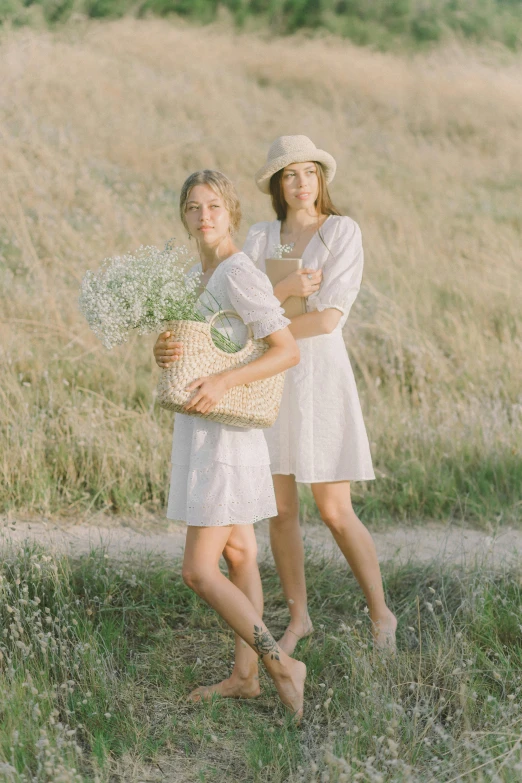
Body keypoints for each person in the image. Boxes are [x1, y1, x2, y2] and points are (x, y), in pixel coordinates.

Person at [159, 168, 305, 716]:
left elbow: (285, 349)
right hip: (203, 425)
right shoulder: (199, 272)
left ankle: (280, 664)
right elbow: (205, 345)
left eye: (214, 207)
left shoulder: (239, 272)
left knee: (199, 570)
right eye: (194, 207)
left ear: (232, 212)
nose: (204, 217)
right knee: (240, 552)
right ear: (184, 215)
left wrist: (222, 381)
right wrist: (165, 353)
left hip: (226, 431)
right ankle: (245, 678)